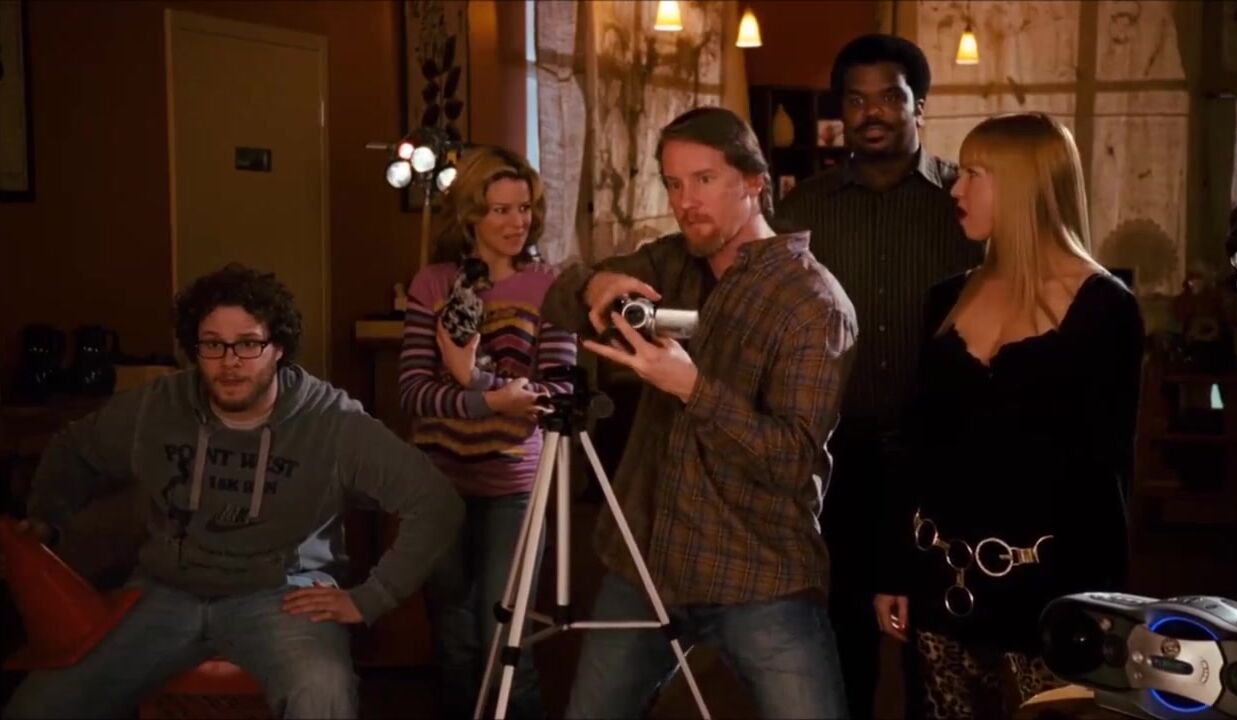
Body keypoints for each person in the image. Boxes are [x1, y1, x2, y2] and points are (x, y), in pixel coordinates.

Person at [2, 264, 464, 720]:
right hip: (165, 591)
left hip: (282, 595)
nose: (229, 362)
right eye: (213, 345)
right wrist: (46, 516)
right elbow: (75, 448)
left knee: (323, 690)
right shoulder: (158, 405)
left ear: (277, 347)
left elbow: (436, 502)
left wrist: (371, 597)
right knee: (40, 705)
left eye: (247, 343)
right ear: (195, 348)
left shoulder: (332, 421)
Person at [542, 106, 857, 719]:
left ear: (753, 182)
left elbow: (793, 460)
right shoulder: (667, 263)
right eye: (674, 183)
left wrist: (692, 388)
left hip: (756, 570)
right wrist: (593, 286)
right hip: (645, 558)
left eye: (705, 179)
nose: (686, 201)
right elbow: (557, 298)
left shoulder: (813, 303)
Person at [873, 113, 1144, 719]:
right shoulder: (947, 297)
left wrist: (1104, 612)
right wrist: (893, 568)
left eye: (975, 173)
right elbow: (913, 445)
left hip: (1048, 597)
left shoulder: (1104, 308)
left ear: (1023, 186)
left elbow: (1106, 474)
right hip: (940, 584)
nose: (956, 188)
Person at [775, 33, 985, 717]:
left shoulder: (965, 203)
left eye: (888, 98)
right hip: (839, 454)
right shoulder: (802, 210)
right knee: (843, 633)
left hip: (944, 454)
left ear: (918, 105)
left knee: (940, 635)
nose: (871, 113)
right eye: (855, 99)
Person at [398, 146, 577, 720]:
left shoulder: (551, 287)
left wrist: (474, 380)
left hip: (515, 487)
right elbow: (413, 392)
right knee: (454, 643)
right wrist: (493, 400)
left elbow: (558, 394)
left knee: (505, 645)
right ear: (471, 215)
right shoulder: (434, 284)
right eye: (501, 210)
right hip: (436, 485)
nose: (517, 222)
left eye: (524, 208)